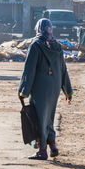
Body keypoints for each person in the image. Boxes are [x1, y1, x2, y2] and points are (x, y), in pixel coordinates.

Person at [18, 18, 73, 160]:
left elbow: (29, 70)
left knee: (40, 118)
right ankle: (52, 144)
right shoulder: (57, 46)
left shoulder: (36, 45)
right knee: (49, 116)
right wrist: (67, 89)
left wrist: (23, 91)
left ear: (38, 29)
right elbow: (63, 68)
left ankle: (42, 151)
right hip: (54, 86)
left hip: (40, 87)